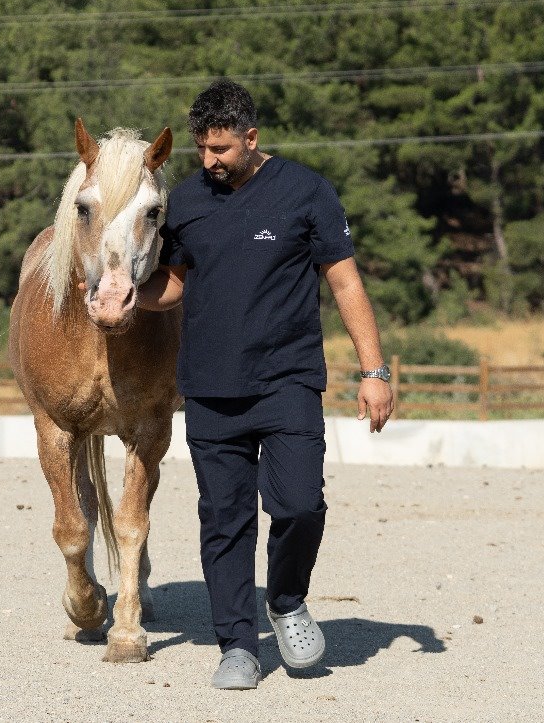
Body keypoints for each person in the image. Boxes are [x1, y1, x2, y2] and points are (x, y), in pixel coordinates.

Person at [138, 78, 395, 690]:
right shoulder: (190, 200)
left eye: (221, 149)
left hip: (288, 380)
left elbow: (345, 283)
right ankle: (236, 645)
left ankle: (286, 600)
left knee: (301, 504)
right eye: (202, 150)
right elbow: (173, 284)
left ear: (252, 138)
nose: (209, 161)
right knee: (224, 518)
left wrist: (374, 370)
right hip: (208, 387)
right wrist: (126, 299)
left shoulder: (305, 191)